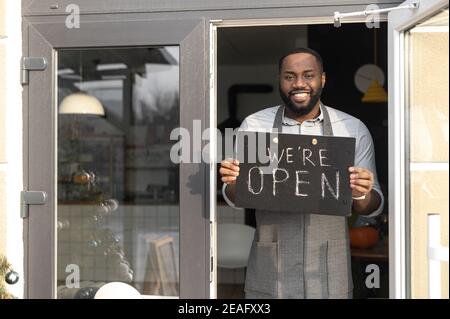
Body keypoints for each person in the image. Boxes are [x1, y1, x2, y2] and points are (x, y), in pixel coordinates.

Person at [219, 48, 384, 299]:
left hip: (328, 265)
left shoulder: (351, 129)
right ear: (280, 80)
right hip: (271, 263)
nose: (299, 83)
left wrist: (361, 193)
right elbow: (234, 196)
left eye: (308, 75)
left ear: (323, 79)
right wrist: (233, 181)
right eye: (289, 76)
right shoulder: (254, 126)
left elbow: (373, 205)